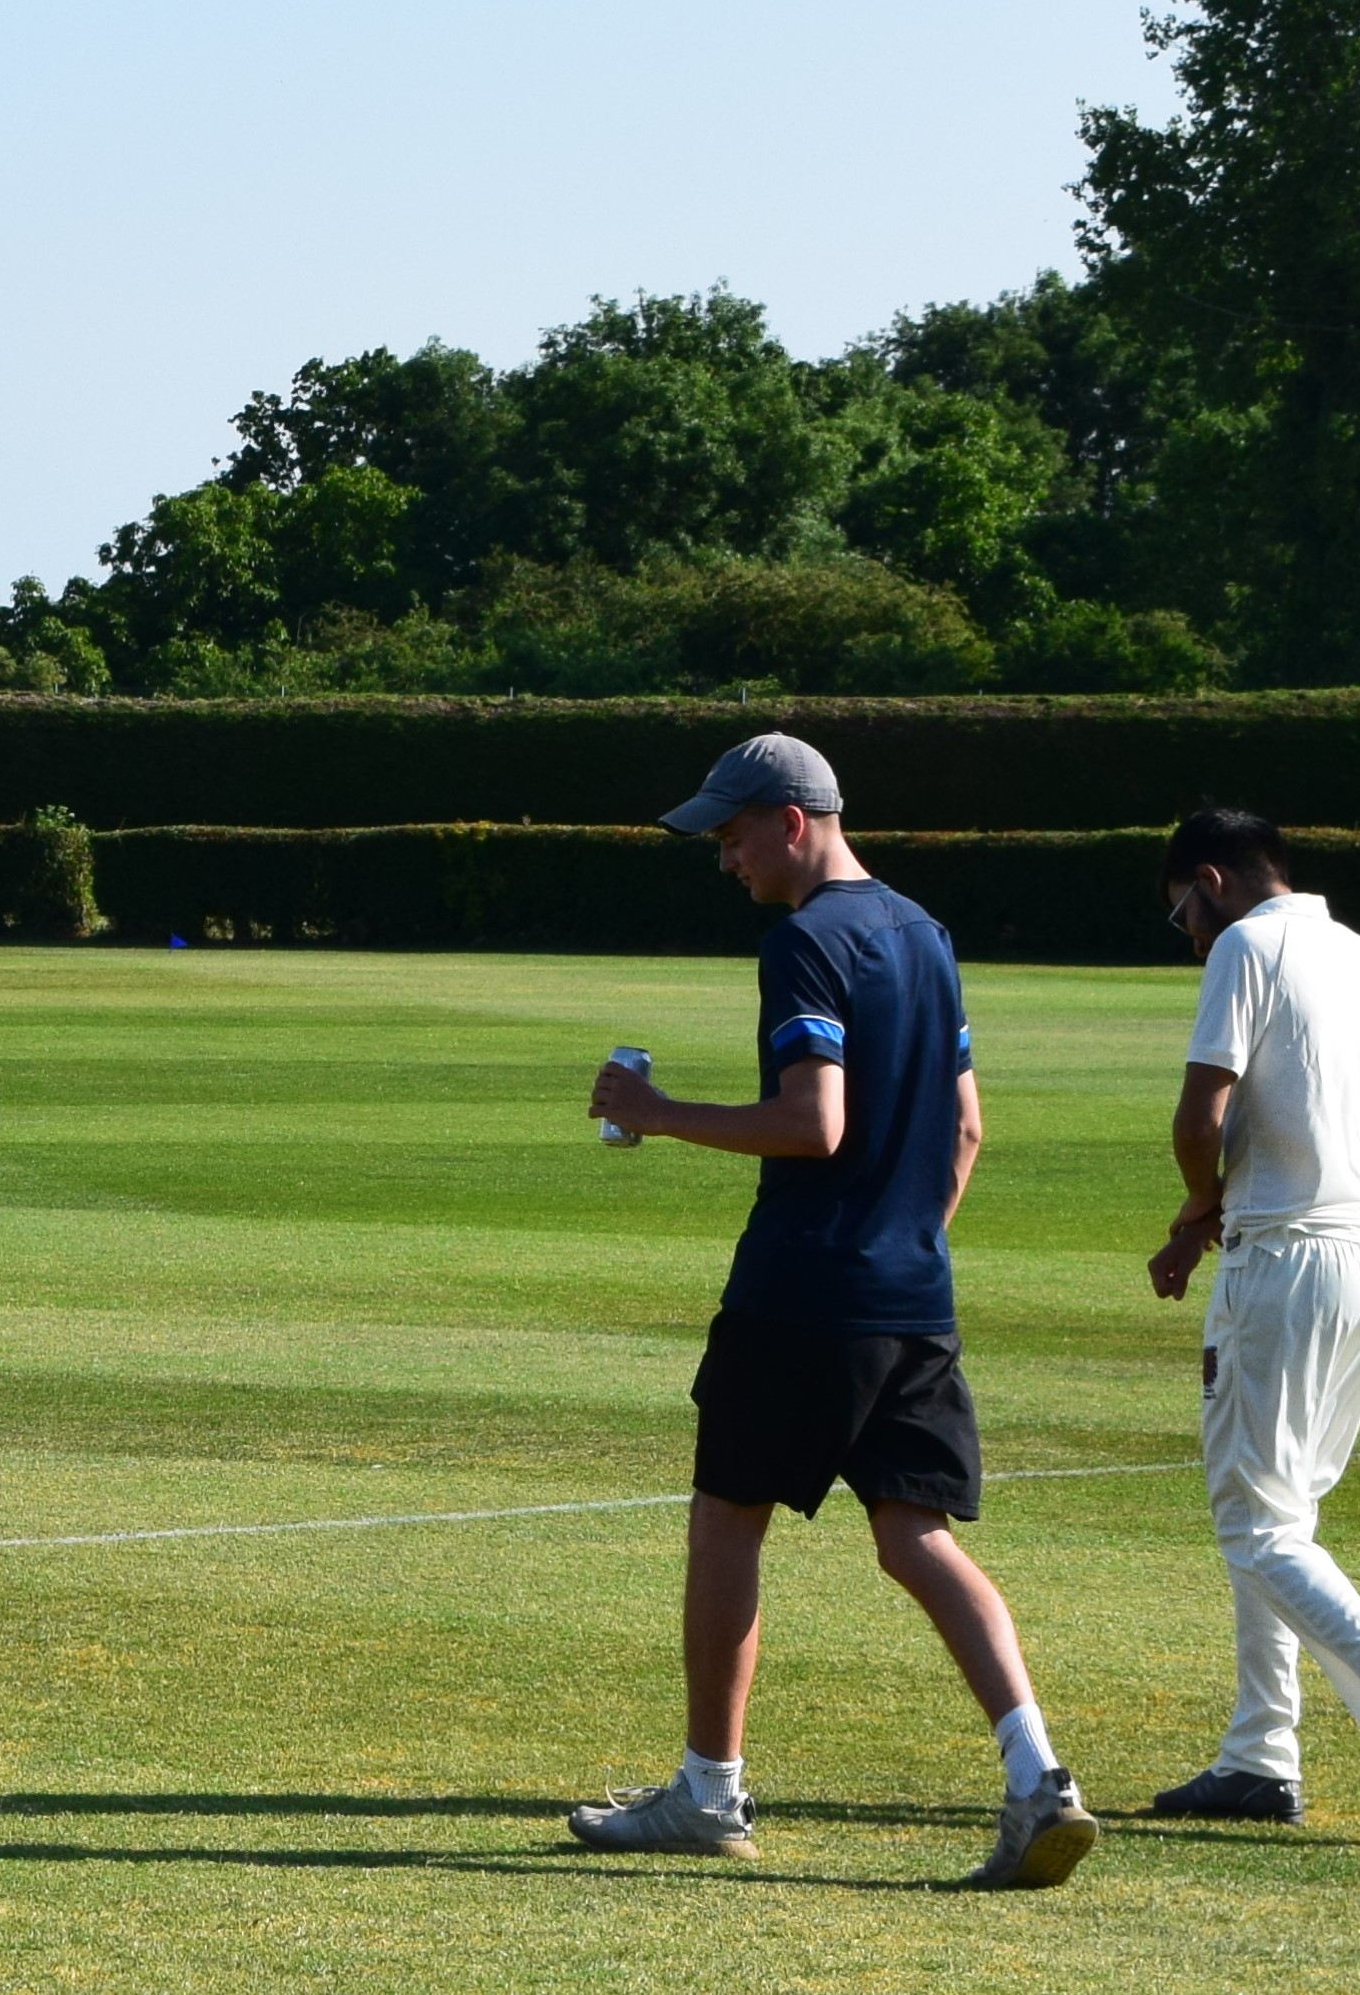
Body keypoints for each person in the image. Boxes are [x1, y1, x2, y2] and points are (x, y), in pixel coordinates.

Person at [575, 732, 1096, 1888]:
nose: (726, 859)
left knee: (726, 1519)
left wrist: (657, 1112)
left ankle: (709, 1788)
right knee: (918, 1538)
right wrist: (905, 1245)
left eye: (733, 833)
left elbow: (816, 1122)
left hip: (802, 1290)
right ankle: (1039, 1775)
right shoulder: (925, 932)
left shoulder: (806, 940)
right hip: (913, 1294)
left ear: (793, 819)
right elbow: (965, 1127)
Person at [1137, 807, 1360, 1836]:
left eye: (1181, 915)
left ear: (1215, 880)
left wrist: (1201, 1207)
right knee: (1283, 1513)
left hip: (1282, 1259)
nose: (1190, 935)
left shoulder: (1246, 942)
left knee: (1253, 1517)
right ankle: (1261, 1752)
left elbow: (1202, 1116)